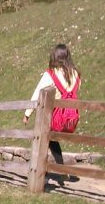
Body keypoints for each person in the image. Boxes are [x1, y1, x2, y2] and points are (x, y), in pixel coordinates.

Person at [23, 43, 82, 184]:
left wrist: (27, 113)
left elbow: (38, 93)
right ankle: (59, 169)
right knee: (52, 141)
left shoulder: (51, 74)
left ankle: (42, 173)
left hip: (54, 116)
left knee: (44, 139)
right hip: (70, 116)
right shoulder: (75, 74)